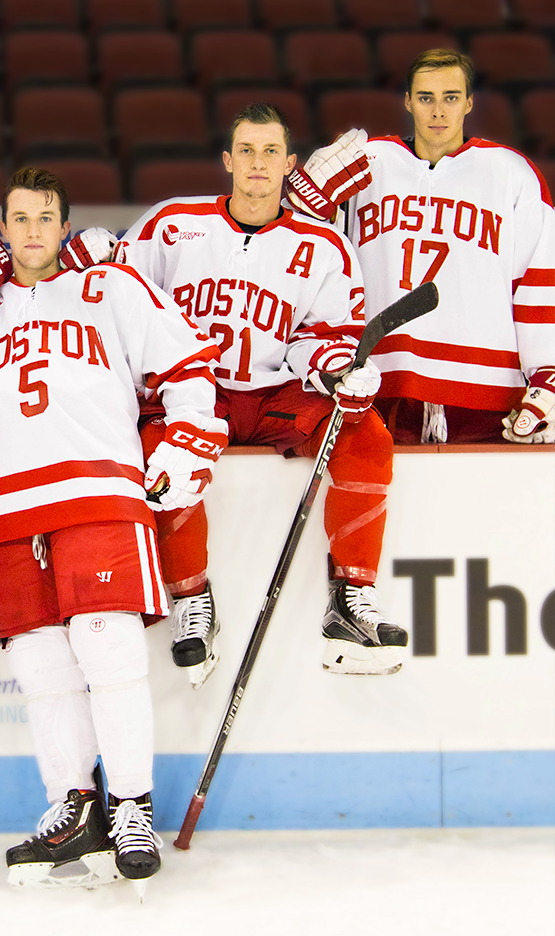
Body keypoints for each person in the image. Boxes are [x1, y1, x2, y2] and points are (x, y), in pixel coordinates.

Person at [0, 168, 226, 894]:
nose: (31, 231)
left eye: (44, 217)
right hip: (7, 512)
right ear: (2, 229)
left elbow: (186, 362)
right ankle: (74, 808)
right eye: (18, 218)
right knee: (43, 675)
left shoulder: (110, 288)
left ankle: (130, 809)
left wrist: (187, 437)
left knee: (108, 652)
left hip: (98, 495)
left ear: (64, 225)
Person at [116, 103, 408, 676]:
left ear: (289, 163)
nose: (257, 162)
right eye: (246, 150)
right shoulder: (171, 225)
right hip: (195, 393)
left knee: (366, 435)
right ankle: (192, 599)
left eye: (271, 151)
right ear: (227, 160)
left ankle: (349, 601)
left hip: (278, 395)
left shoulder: (324, 245)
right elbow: (123, 310)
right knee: (157, 457)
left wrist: (337, 370)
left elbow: (324, 336)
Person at [285, 49, 555, 445]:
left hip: (484, 386)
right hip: (378, 378)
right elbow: (307, 264)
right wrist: (304, 208)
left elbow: (537, 280)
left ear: (469, 101)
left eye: (450, 97)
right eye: (426, 97)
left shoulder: (511, 172)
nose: (438, 111)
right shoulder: (368, 162)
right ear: (408, 101)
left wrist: (547, 375)